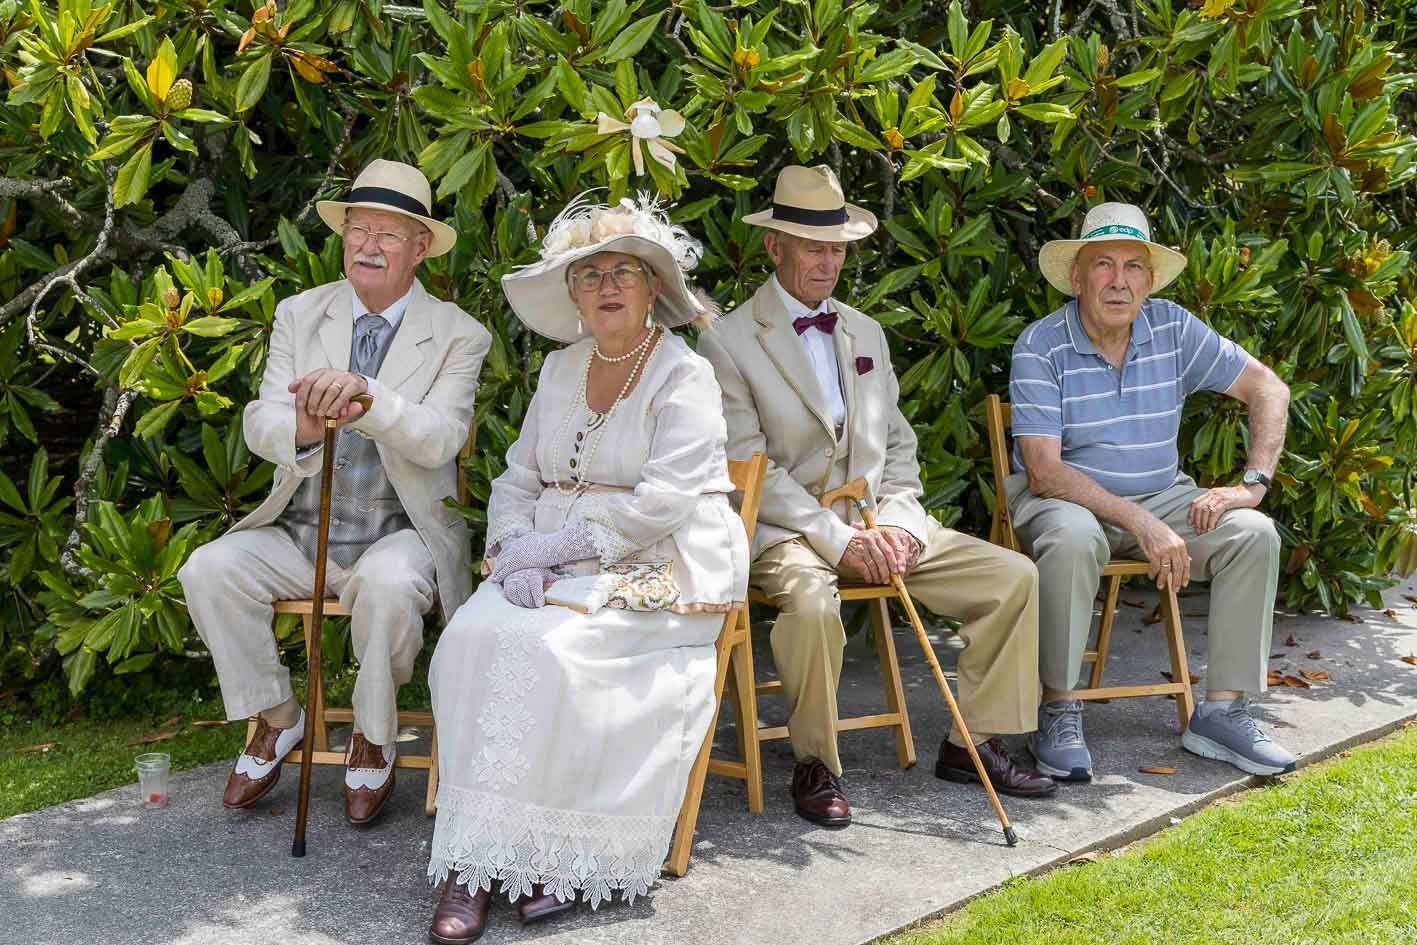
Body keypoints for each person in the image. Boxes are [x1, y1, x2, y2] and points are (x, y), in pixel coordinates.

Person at [425, 195, 748, 945]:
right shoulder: (560, 367)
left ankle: (543, 857)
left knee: (555, 652)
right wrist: (511, 548)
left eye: (625, 271)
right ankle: (473, 861)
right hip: (550, 560)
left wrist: (560, 548)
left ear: (651, 287)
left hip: (659, 563)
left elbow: (665, 500)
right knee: (470, 638)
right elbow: (516, 476)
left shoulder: (684, 373)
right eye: (591, 271)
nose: (608, 285)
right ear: (571, 292)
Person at [698, 165, 1054, 832]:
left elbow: (896, 447)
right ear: (774, 246)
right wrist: (840, 542)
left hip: (872, 518)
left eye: (836, 247)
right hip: (785, 529)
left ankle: (969, 741)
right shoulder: (727, 341)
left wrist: (898, 526)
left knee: (1011, 576)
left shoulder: (866, 331)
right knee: (809, 603)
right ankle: (814, 763)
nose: (827, 260)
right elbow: (752, 468)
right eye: (812, 246)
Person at [178, 159, 491, 825]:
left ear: (420, 247)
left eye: (388, 233)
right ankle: (279, 716)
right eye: (357, 228)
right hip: (301, 529)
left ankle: (373, 737)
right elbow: (258, 417)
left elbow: (440, 438)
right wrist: (301, 422)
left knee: (387, 584)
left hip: (399, 532)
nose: (368, 244)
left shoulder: (460, 334)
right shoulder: (299, 312)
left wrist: (369, 399)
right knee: (207, 568)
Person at [1008, 202, 1294, 781]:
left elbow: (1269, 389)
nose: (1119, 281)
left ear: (1149, 278)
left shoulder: (1172, 327)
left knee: (1253, 536)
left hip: (1161, 494)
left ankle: (1221, 711)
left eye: (1133, 267)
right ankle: (1057, 708)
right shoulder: (1040, 345)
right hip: (1065, 500)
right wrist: (1141, 523)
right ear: (1076, 276)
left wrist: (1251, 486)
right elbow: (1044, 470)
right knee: (1070, 538)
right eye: (1103, 265)